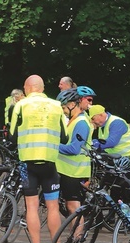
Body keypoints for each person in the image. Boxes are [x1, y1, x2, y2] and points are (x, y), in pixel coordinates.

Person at [10, 75, 67, 243]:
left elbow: (12, 136)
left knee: (32, 206)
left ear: (27, 88)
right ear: (42, 88)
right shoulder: (56, 106)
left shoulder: (21, 105)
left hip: (28, 162)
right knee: (53, 206)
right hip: (49, 163)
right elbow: (65, 137)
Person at [55, 88, 91, 226]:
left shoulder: (81, 123)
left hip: (75, 173)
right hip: (68, 171)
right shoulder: (73, 120)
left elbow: (74, 149)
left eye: (64, 107)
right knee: (71, 208)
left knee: (74, 208)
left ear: (71, 105)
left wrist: (53, 145)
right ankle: (73, 241)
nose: (63, 110)